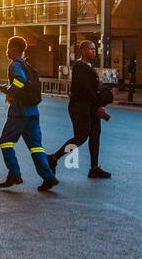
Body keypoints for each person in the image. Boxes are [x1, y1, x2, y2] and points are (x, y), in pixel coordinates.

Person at [0, 35, 58, 192]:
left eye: (8, 47)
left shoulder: (15, 65)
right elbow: (23, 82)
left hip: (19, 112)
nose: (6, 50)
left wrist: (10, 91)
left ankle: (14, 174)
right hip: (33, 111)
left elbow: (20, 80)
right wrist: (8, 87)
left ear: (14, 49)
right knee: (36, 146)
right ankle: (48, 177)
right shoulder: (27, 65)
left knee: (5, 142)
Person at [48, 40, 112, 179]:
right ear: (83, 50)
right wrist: (99, 104)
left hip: (91, 106)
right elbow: (86, 90)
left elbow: (93, 88)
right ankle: (53, 158)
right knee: (81, 137)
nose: (94, 51)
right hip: (80, 106)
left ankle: (94, 168)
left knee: (95, 136)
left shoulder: (89, 66)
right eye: (91, 49)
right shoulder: (79, 66)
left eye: (95, 49)